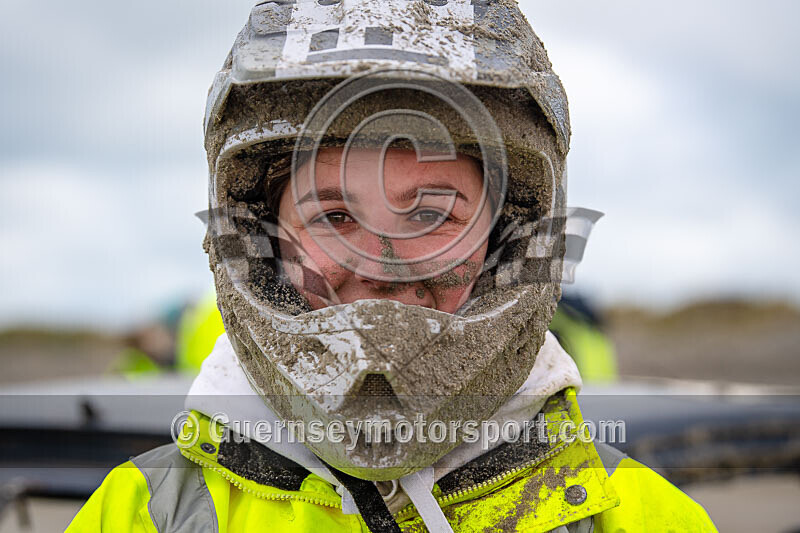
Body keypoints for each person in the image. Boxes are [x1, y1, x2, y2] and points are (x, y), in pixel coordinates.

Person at [67, 1, 715, 531]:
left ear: (506, 235)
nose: (380, 263)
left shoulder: (644, 517)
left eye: (432, 213)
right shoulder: (139, 516)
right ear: (265, 238)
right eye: (334, 216)